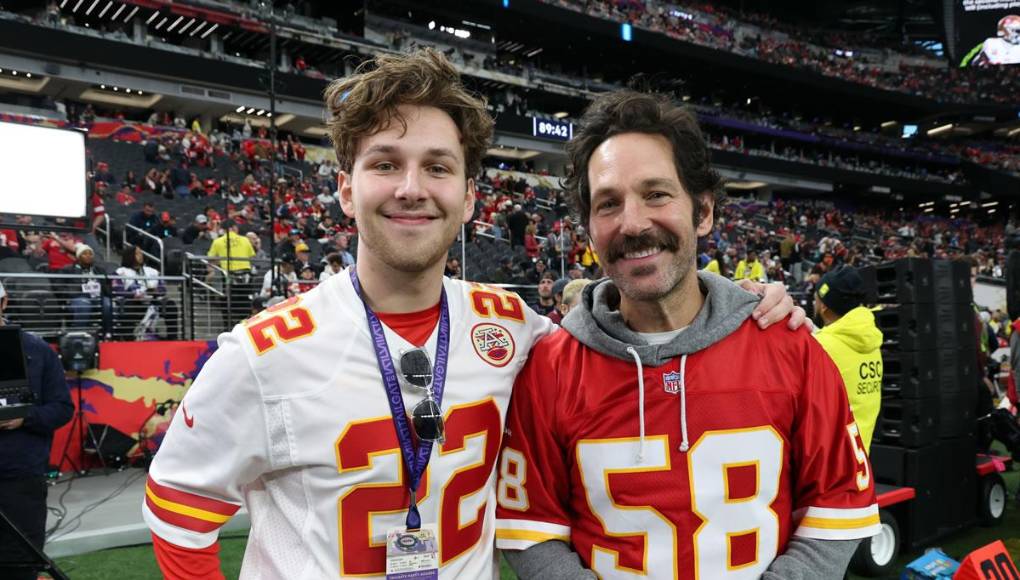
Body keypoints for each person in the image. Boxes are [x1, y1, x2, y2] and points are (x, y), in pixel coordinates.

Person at [145, 51, 802, 579]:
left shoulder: (514, 329)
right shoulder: (261, 355)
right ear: (346, 188)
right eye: (384, 164)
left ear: (467, 197)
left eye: (437, 166)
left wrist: (742, 302)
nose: (411, 188)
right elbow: (178, 511)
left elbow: (633, 323)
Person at [495, 90, 878, 580]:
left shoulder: (790, 344)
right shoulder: (548, 367)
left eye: (656, 194)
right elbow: (533, 532)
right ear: (589, 230)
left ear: (703, 210)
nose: (632, 223)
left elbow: (835, 512)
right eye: (608, 203)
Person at [0, 281, 74, 580]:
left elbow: (62, 408)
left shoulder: (36, 350)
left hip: (21, 476)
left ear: (3, 304)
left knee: (22, 563)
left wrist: (24, 418)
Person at [813, 267, 883, 451]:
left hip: (829, 462)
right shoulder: (871, 342)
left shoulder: (820, 346)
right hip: (860, 458)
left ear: (823, 305)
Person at [61, 244, 113, 336]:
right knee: (83, 304)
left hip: (98, 296)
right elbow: (62, 286)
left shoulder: (99, 270)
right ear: (78, 256)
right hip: (79, 296)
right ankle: (78, 333)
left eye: (90, 254)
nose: (88, 256)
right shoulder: (69, 269)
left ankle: (107, 333)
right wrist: (82, 288)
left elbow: (106, 285)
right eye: (85, 254)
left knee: (108, 303)